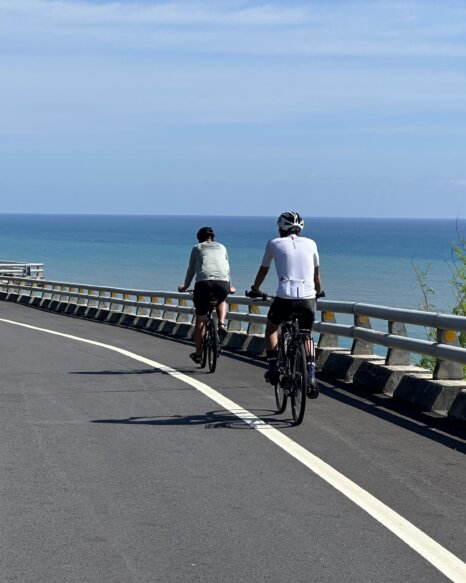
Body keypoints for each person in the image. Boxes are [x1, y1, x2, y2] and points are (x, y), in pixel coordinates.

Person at [249, 211, 322, 398]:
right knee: (306, 336)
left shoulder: (274, 243)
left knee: (272, 328)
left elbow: (263, 270)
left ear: (281, 228)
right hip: (308, 298)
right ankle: (311, 376)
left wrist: (255, 288)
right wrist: (318, 291)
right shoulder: (311, 243)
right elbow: (316, 275)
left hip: (285, 298)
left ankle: (273, 368)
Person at [179, 226, 236, 363]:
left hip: (203, 284)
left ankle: (198, 354)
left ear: (199, 238)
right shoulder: (222, 247)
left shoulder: (197, 248)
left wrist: (185, 286)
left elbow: (191, 269)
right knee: (222, 299)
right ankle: (221, 323)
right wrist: (230, 286)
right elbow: (226, 267)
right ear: (213, 238)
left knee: (200, 321)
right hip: (223, 282)